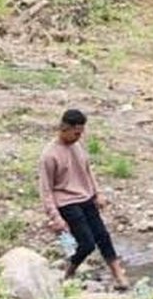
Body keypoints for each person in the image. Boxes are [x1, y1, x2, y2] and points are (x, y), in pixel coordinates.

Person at [39, 109, 129, 289]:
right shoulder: (49, 155)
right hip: (66, 202)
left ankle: (118, 275)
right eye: (76, 133)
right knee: (87, 243)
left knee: (103, 236)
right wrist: (55, 217)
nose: (79, 136)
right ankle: (69, 271)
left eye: (81, 133)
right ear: (64, 128)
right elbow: (45, 189)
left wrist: (98, 193)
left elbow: (88, 171)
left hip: (86, 197)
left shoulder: (77, 146)